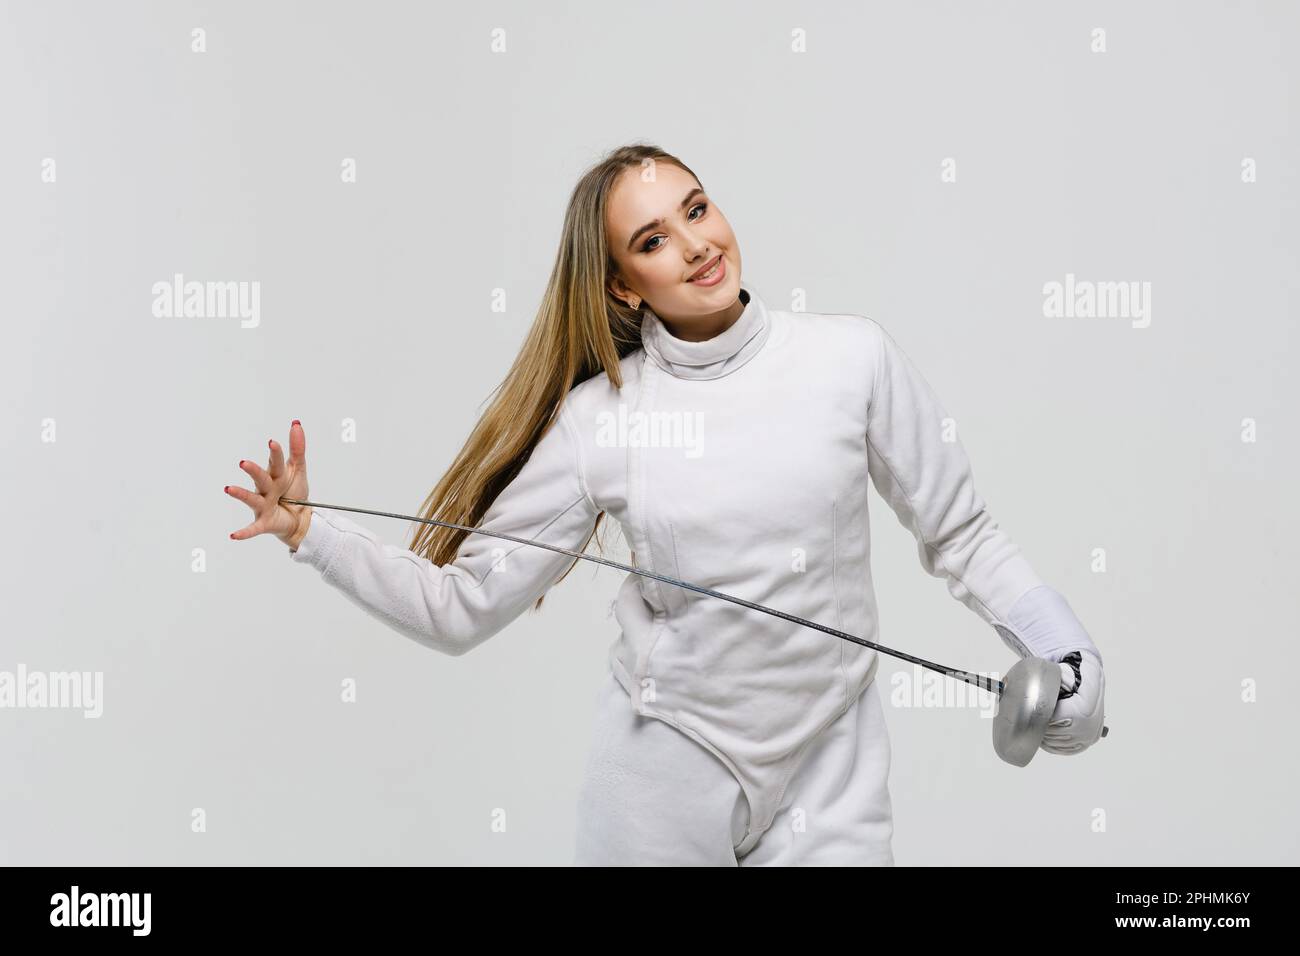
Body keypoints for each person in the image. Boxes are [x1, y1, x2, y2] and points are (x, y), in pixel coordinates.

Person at [225, 142, 1106, 866]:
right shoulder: (600, 421)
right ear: (621, 286)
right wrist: (311, 534)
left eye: (696, 208)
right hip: (665, 770)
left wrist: (1063, 648)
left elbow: (961, 531)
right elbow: (461, 608)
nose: (694, 244)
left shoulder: (851, 360)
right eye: (651, 241)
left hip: (831, 765)